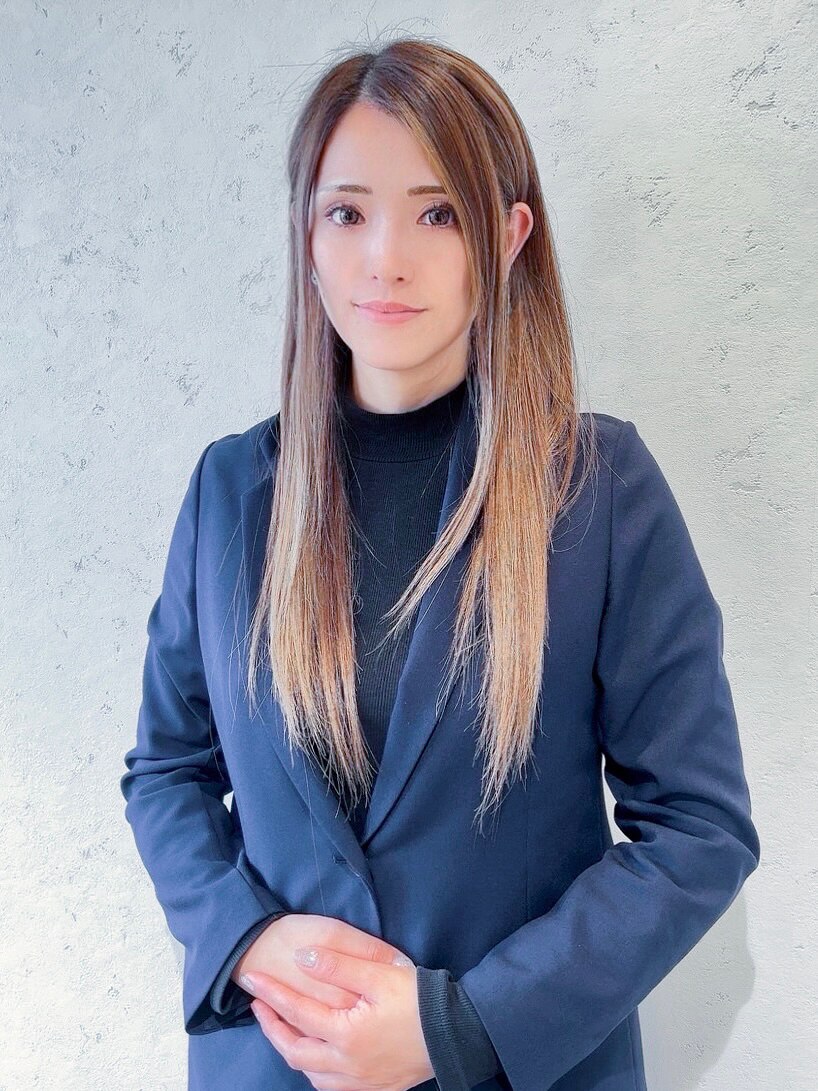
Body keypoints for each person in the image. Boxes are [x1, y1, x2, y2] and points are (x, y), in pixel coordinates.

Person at [120, 36, 761, 1091]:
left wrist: (457, 1026)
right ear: (307, 235)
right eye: (347, 213)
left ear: (507, 237)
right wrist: (245, 939)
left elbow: (697, 827)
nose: (384, 257)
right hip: (271, 1067)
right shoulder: (230, 491)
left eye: (437, 214)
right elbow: (167, 770)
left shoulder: (599, 490)